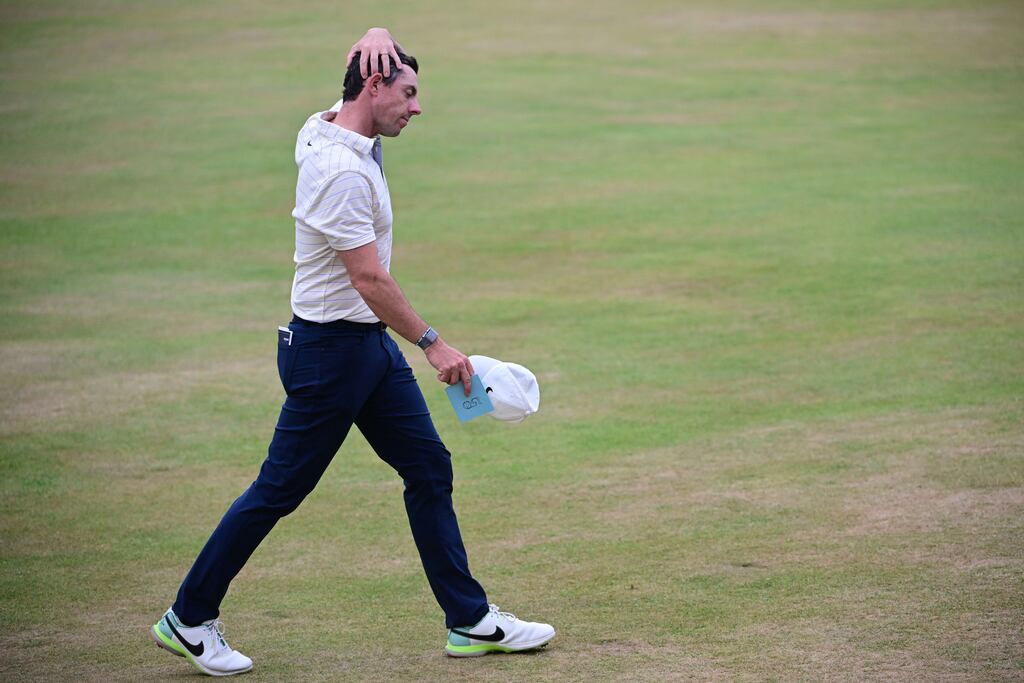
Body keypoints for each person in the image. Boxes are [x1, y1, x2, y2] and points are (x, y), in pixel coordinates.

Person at [148, 28, 555, 676]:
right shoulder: (338, 170)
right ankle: (189, 616)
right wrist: (431, 343)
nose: (417, 107)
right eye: (409, 92)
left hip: (362, 347)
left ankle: (470, 621)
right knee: (279, 488)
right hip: (329, 355)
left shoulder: (333, 125)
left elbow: (353, 88)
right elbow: (369, 279)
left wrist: (374, 32)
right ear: (374, 85)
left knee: (428, 467)